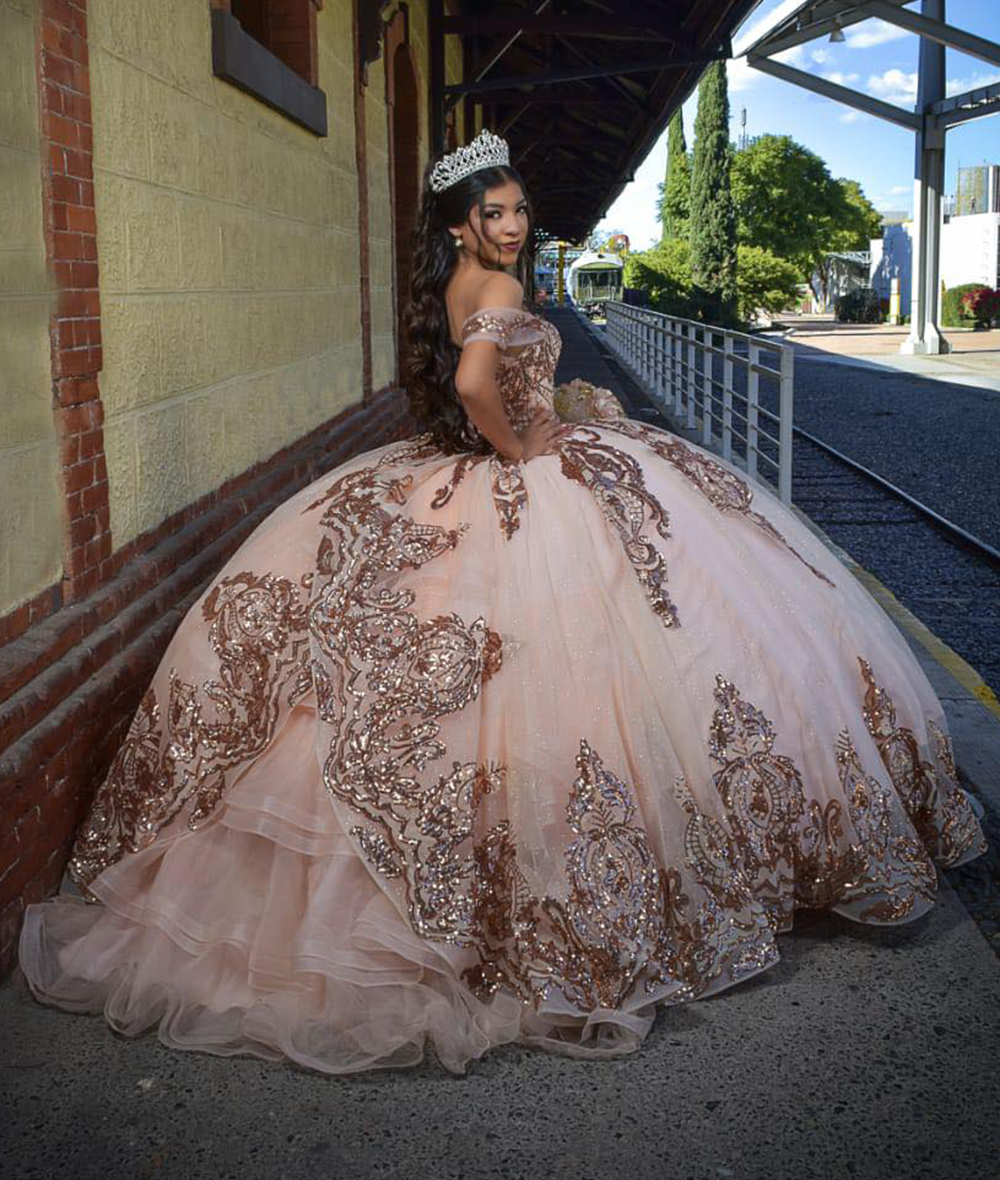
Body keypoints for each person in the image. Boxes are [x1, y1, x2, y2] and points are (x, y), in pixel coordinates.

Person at [18, 129, 986, 1076]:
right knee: (619, 649)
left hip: (449, 466)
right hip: (514, 474)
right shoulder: (503, 289)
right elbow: (480, 382)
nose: (514, 225)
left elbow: (470, 377)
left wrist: (553, 406)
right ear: (461, 224)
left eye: (520, 209)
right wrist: (526, 445)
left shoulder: (450, 285)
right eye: (494, 213)